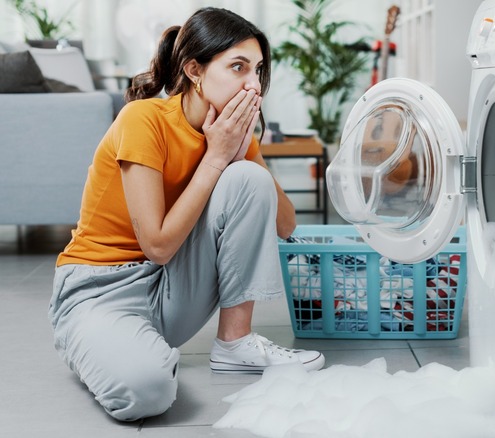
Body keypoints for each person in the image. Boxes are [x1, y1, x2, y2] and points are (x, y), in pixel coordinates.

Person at [47, 7, 324, 422]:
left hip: (171, 287)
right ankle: (104, 344)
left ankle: (234, 343)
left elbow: (286, 225)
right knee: (147, 392)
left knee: (248, 178)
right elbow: (156, 246)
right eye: (238, 67)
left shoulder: (231, 134)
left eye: (258, 70)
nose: (253, 85)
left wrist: (244, 150)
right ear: (195, 70)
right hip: (98, 291)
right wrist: (215, 158)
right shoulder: (144, 120)